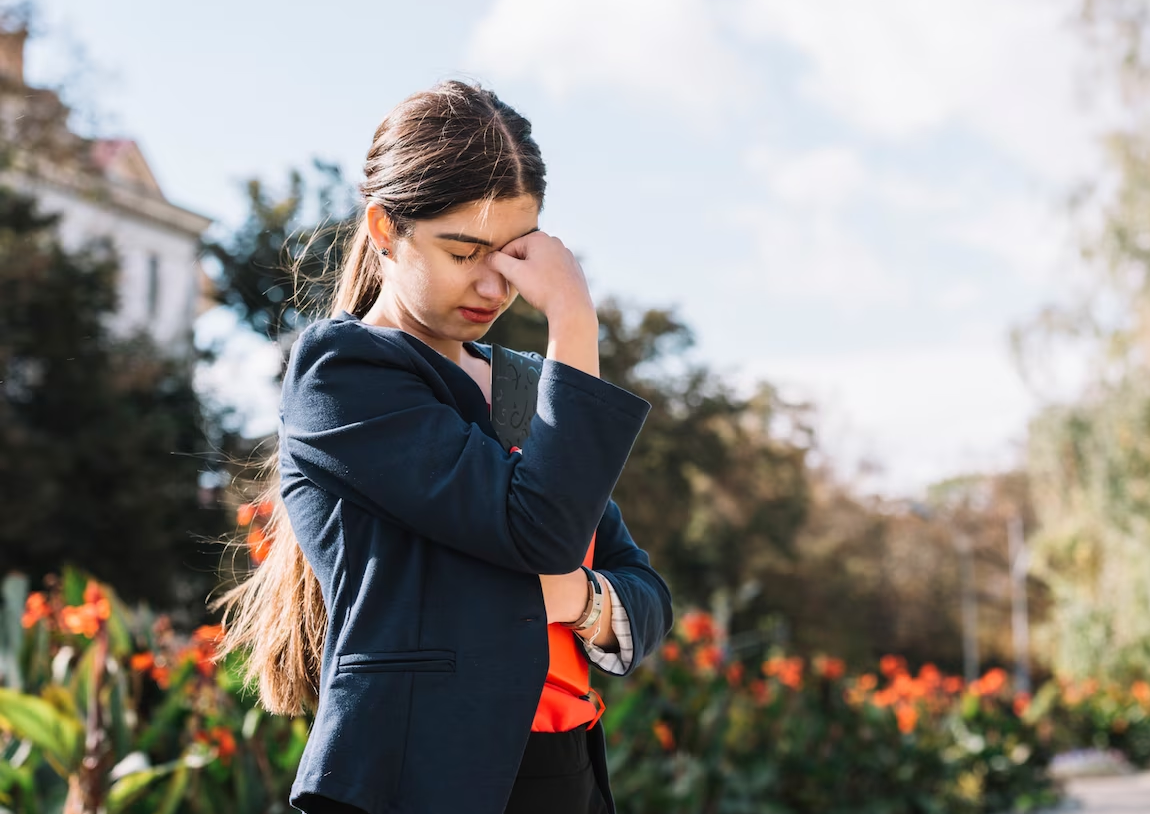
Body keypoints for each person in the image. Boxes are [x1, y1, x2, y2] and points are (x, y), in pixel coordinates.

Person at [212, 80, 674, 814]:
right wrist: (574, 323)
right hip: (417, 781)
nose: (495, 284)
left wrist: (585, 602)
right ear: (385, 230)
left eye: (515, 258)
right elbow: (545, 532)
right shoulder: (345, 375)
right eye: (465, 251)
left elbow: (643, 593)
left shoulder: (524, 389)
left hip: (564, 776)